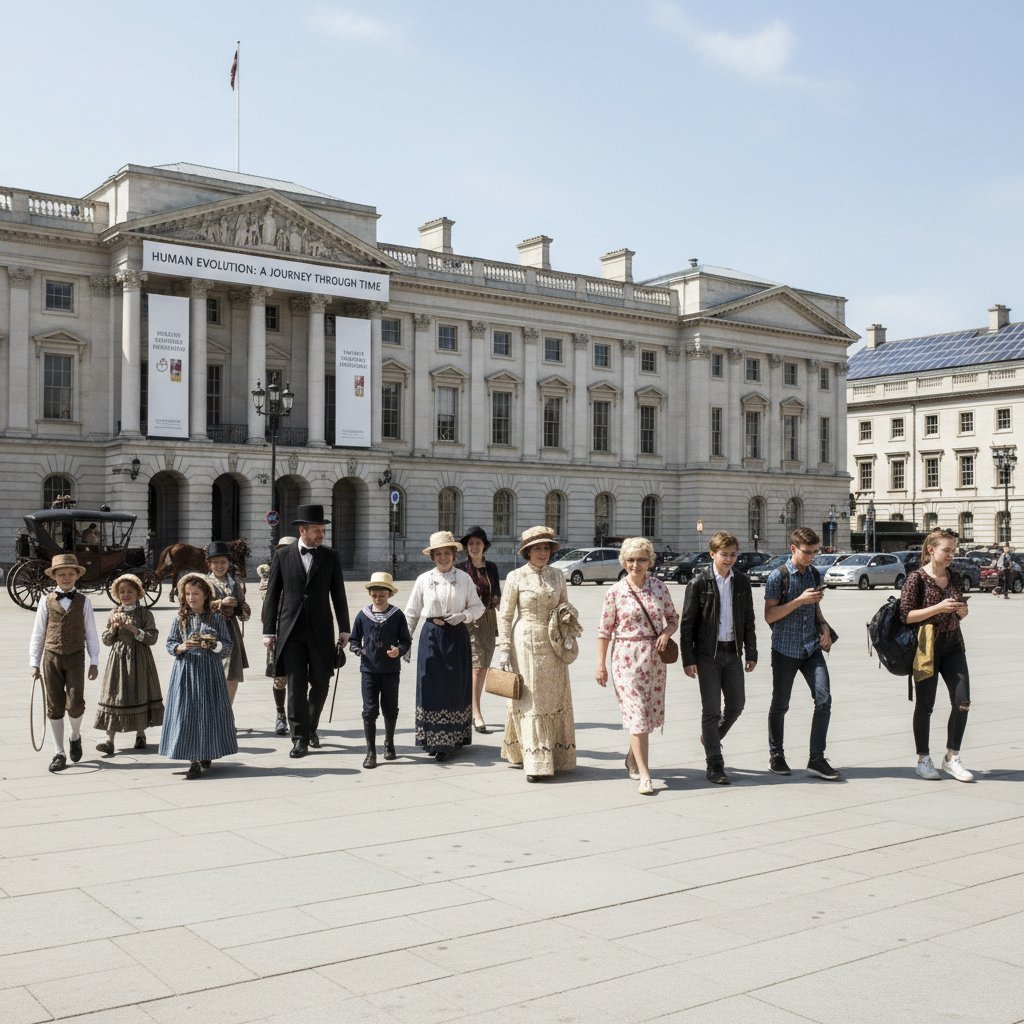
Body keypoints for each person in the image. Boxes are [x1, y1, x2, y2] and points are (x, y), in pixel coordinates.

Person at [263, 506, 349, 758]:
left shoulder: (331, 556)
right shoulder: (282, 555)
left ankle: (311, 726)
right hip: (291, 631)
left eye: (322, 530)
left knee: (322, 682)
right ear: (302, 530)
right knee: (296, 686)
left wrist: (345, 628)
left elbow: (339, 594)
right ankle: (299, 737)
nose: (321, 534)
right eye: (316, 530)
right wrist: (268, 630)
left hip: (321, 630)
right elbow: (272, 594)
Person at [596, 537, 678, 795]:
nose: (636, 564)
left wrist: (666, 632)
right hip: (626, 659)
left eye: (641, 559)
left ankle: (632, 758)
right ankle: (645, 774)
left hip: (654, 659)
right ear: (623, 561)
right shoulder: (615, 592)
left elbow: (673, 618)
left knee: (648, 716)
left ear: (650, 561)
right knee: (637, 715)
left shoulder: (659, 587)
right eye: (631, 560)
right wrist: (601, 664)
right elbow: (604, 630)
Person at [496, 525, 578, 782]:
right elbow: (506, 615)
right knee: (532, 700)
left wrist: (567, 614)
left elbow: (565, 603)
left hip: (553, 642)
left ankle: (554, 755)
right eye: (537, 548)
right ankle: (534, 761)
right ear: (527, 551)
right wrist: (504, 649)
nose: (543, 552)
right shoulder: (515, 577)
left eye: (546, 547)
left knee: (553, 697)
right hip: (527, 641)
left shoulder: (557, 575)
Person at [679, 531, 757, 785]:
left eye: (733, 555)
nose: (729, 559)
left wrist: (752, 652)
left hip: (733, 653)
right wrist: (688, 658)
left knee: (736, 705)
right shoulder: (699, 582)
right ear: (712, 554)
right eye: (724, 554)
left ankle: (710, 737)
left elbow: (749, 620)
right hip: (707, 655)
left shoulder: (742, 582)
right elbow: (687, 624)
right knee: (711, 710)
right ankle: (715, 764)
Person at [764, 527, 840, 780]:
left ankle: (816, 759)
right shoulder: (779, 576)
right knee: (781, 704)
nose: (811, 557)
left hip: (811, 648)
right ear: (793, 549)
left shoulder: (813, 573)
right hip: (785, 649)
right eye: (807, 552)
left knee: (824, 699)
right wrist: (798, 600)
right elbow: (769, 616)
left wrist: (824, 626)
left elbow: (815, 608)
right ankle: (776, 755)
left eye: (815, 552)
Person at [900, 528, 973, 781]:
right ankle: (923, 759)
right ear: (931, 550)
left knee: (962, 701)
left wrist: (962, 611)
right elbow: (906, 616)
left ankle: (952, 757)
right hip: (926, 647)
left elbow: (960, 608)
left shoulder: (953, 576)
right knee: (925, 705)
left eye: (954, 550)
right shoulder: (916, 579)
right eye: (947, 550)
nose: (952, 554)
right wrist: (939, 607)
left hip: (953, 644)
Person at [405, 531, 485, 761]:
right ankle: (432, 739)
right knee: (429, 684)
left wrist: (464, 616)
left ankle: (453, 739)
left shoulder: (464, 578)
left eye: (446, 553)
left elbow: (478, 608)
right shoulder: (423, 580)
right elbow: (411, 612)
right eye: (438, 554)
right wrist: (405, 640)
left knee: (454, 688)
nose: (443, 558)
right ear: (432, 557)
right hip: (431, 634)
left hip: (456, 636)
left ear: (453, 554)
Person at [160, 574, 236, 779]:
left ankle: (206, 751)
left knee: (207, 711)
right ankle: (193, 758)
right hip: (186, 672)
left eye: (196, 593)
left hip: (209, 672)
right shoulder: (180, 619)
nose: (191, 598)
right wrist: (182, 646)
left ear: (205, 596)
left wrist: (213, 644)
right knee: (187, 712)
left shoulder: (216, 618)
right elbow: (170, 644)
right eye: (187, 594)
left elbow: (227, 647)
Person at [29, 553, 99, 772]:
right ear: (54, 577)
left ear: (77, 576)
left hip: (76, 656)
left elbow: (91, 632)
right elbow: (38, 633)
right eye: (62, 574)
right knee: (54, 704)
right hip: (51, 657)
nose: (66, 578)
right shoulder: (46, 600)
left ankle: (75, 736)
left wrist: (94, 660)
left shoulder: (84, 602)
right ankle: (59, 752)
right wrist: (34, 662)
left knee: (76, 702)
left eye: (71, 574)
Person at [94, 574, 163, 756]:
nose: (125, 595)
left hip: (140, 658)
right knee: (114, 695)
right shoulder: (114, 613)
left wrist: (133, 629)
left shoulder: (145, 613)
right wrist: (114, 628)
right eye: (122, 592)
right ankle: (109, 739)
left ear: (138, 593)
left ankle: (140, 734)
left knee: (140, 692)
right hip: (118, 660)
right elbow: (107, 641)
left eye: (129, 591)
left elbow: (152, 638)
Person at [349, 572, 412, 768]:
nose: (378, 599)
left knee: (390, 708)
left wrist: (399, 650)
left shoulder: (397, 615)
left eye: (382, 595)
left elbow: (406, 640)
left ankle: (389, 743)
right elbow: (353, 639)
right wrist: (358, 649)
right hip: (368, 670)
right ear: (370, 594)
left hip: (390, 670)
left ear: (389, 594)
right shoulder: (363, 615)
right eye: (374, 595)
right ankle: (371, 752)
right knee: (369, 711)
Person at [457, 526, 502, 733]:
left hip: (489, 620)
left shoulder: (491, 567)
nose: (475, 547)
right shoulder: (460, 568)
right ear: (466, 547)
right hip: (469, 621)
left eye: (478, 543)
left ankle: (470, 706)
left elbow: (498, 595)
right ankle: (476, 713)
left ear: (484, 546)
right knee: (476, 666)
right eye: (471, 543)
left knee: (483, 666)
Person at [259, 535, 297, 735]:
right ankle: (280, 714)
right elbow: (267, 605)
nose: (283, 553)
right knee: (279, 678)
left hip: (299, 633)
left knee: (301, 678)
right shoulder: (272, 573)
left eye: (286, 549)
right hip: (278, 634)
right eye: (280, 549)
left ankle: (299, 716)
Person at [206, 540, 250, 706]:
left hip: (231, 632)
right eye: (215, 562)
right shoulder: (204, 583)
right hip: (211, 631)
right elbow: (196, 606)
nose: (219, 566)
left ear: (228, 563)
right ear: (209, 564)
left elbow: (243, 612)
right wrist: (220, 603)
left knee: (232, 677)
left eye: (223, 562)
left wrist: (240, 606)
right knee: (212, 676)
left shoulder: (234, 583)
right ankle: (214, 714)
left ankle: (227, 714)